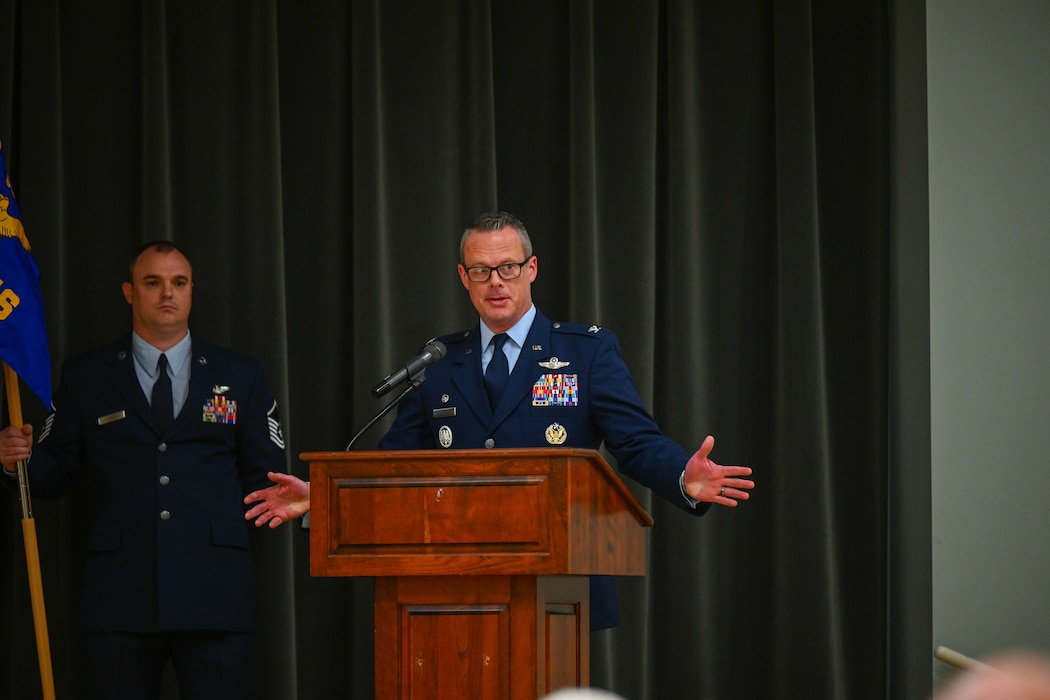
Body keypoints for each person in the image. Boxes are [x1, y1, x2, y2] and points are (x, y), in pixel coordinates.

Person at [244, 210, 754, 629]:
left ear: (532, 269)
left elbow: (636, 442)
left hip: (559, 583)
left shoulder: (586, 353)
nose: (496, 282)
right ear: (463, 278)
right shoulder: (441, 361)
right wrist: (325, 497)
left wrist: (682, 475)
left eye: (508, 267)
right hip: (449, 585)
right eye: (482, 270)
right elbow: (393, 467)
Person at [1, 241, 287, 699]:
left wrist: (286, 501)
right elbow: (56, 474)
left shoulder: (241, 375)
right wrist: (21, 459)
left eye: (178, 283)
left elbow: (266, 476)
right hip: (120, 596)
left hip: (213, 592)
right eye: (152, 282)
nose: (166, 294)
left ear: (193, 292)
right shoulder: (88, 376)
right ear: (130, 292)